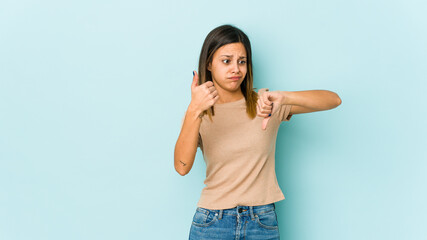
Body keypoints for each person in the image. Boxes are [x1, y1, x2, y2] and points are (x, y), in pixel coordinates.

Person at [174, 24, 341, 240]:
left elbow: (333, 100)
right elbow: (181, 167)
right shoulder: (198, 112)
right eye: (226, 61)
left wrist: (285, 97)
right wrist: (193, 109)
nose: (236, 69)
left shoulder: (265, 103)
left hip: (261, 221)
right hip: (212, 222)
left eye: (242, 61)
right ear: (209, 63)